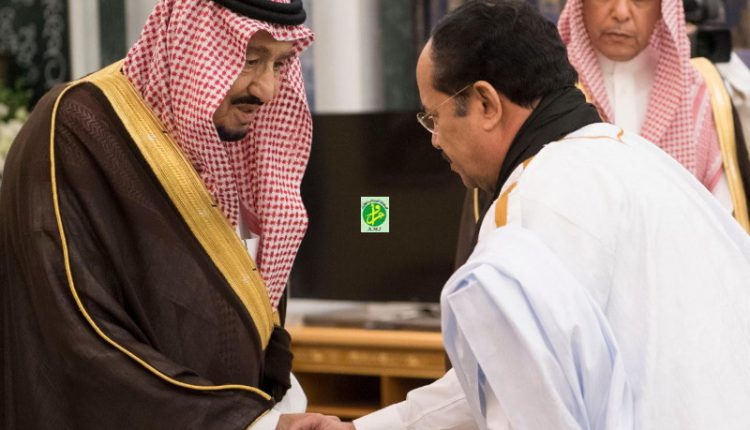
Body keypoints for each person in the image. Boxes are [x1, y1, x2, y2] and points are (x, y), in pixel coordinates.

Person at [291, 1, 750, 429]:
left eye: (434, 117)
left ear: (486, 104)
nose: (434, 140)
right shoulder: (636, 159)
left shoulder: (532, 205)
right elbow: (500, 373)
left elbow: (529, 411)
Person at [0, 0, 338, 428]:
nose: (267, 90)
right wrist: (249, 422)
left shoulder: (232, 145)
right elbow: (75, 332)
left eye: (280, 63)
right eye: (250, 60)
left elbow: (250, 313)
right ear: (189, 44)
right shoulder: (77, 128)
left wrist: (276, 411)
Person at [558, 0, 750, 225]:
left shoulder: (697, 94)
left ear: (663, 8)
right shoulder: (550, 91)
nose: (621, 12)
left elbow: (721, 219)